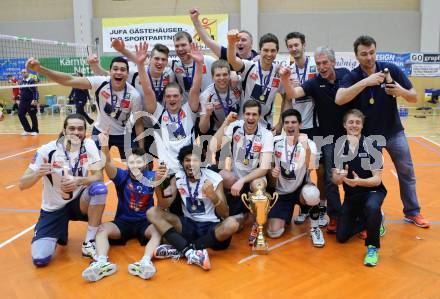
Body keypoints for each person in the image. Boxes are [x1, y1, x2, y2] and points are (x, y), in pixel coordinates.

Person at [335, 35, 429, 228]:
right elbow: (339, 98)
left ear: (375, 51)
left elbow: (414, 97)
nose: (369, 57)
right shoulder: (353, 76)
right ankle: (375, 214)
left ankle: (412, 212)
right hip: (370, 137)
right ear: (356, 56)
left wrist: (400, 91)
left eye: (371, 53)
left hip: (394, 132)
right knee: (371, 177)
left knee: (406, 171)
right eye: (364, 54)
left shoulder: (390, 70)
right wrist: (366, 82)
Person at [18, 114, 108, 267]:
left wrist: (79, 180)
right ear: (64, 131)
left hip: (79, 203)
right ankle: (57, 230)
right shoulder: (47, 150)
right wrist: (38, 173)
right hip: (53, 208)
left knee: (99, 189)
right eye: (71, 128)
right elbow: (22, 184)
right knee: (40, 258)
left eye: (80, 129)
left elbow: (99, 176)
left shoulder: (89, 145)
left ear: (85, 132)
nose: (76, 132)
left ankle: (89, 242)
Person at [280, 47, 352, 233]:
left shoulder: (346, 75)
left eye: (325, 62)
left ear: (334, 62)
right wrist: (286, 79)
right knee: (330, 178)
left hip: (352, 136)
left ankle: (357, 213)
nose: (321, 67)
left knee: (353, 176)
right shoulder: (314, 83)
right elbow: (293, 94)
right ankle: (334, 215)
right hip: (329, 138)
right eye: (318, 63)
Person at [82, 132, 165, 282]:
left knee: (158, 231)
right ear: (127, 164)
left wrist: (160, 180)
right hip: (123, 222)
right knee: (101, 230)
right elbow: (107, 164)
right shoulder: (122, 176)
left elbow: (163, 199)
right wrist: (105, 145)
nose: (135, 166)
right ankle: (101, 262)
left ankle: (145, 262)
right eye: (131, 163)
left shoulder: (152, 177)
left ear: (145, 163)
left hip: (144, 222)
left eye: (138, 162)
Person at [26, 56, 144, 160]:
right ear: (110, 72)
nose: (119, 72)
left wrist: (141, 149)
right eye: (115, 69)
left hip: (124, 134)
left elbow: (138, 123)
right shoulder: (101, 82)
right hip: (100, 131)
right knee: (95, 166)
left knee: (134, 168)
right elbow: (69, 80)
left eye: (123, 70)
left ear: (127, 74)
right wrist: (40, 69)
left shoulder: (134, 95)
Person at [146, 144, 239, 270]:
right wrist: (158, 183)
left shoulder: (215, 178)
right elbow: (164, 204)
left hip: (211, 227)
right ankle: (191, 252)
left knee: (232, 224)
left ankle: (181, 248)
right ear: (182, 163)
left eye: (195, 160)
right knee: (152, 212)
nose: (191, 164)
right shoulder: (178, 178)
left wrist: (214, 197)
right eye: (187, 160)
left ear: (200, 162)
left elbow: (225, 214)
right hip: (188, 225)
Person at [135, 42, 203, 173]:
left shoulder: (189, 110)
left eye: (175, 96)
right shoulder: (158, 113)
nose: (172, 99)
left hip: (189, 170)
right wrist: (140, 65)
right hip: (166, 172)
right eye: (169, 96)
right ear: (164, 98)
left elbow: (195, 88)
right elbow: (148, 90)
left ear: (182, 97)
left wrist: (199, 64)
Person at [211, 100, 273, 243]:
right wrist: (226, 122)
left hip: (254, 177)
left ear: (259, 116)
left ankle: (258, 223)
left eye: (254, 114)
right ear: (243, 115)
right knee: (221, 176)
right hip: (235, 177)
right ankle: (223, 211)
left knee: (258, 186)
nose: (250, 118)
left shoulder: (266, 134)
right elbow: (214, 146)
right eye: (247, 114)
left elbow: (263, 168)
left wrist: (242, 180)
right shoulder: (234, 127)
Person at [332, 109, 387, 266]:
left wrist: (359, 182)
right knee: (341, 237)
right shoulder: (339, 147)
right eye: (351, 122)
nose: (354, 125)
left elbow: (377, 180)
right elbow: (335, 180)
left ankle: (372, 248)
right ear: (344, 125)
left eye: (357, 122)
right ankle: (375, 219)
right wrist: (340, 177)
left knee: (371, 206)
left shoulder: (372, 145)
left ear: (362, 125)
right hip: (352, 196)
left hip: (372, 191)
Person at [267, 109, 324, 247]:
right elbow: (266, 168)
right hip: (280, 193)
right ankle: (285, 215)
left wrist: (306, 149)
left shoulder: (309, 144)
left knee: (312, 193)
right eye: (286, 122)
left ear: (300, 124)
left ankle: (315, 228)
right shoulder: (274, 142)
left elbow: (311, 168)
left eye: (293, 122)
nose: (290, 125)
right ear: (283, 125)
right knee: (274, 232)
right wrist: (272, 172)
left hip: (300, 189)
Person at [227, 30, 284, 130]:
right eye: (266, 50)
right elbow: (232, 60)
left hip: (265, 127)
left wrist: (280, 122)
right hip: (243, 124)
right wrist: (231, 43)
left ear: (277, 51)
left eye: (273, 51)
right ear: (260, 50)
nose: (269, 54)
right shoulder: (249, 66)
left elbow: (286, 98)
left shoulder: (279, 73)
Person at [189, 8, 258, 61]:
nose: (239, 43)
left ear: (251, 44)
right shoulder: (228, 55)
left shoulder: (259, 59)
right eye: (237, 40)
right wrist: (195, 20)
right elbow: (208, 40)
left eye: (243, 40)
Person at [198, 59, 242, 135]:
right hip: (220, 132)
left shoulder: (238, 84)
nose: (222, 78)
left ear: (229, 75)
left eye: (225, 74)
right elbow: (203, 130)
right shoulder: (206, 95)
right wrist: (208, 114)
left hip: (241, 129)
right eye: (218, 75)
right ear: (212, 77)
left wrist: (234, 73)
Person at [169, 31, 215, 102]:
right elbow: (157, 62)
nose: (180, 49)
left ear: (191, 45)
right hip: (189, 108)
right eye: (177, 46)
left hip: (209, 106)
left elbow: (225, 68)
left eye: (183, 45)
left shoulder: (208, 60)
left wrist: (233, 72)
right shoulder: (174, 64)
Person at [18, 69, 39, 136]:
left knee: (32, 115)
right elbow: (21, 91)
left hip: (30, 101)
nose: (23, 74)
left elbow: (35, 91)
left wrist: (35, 99)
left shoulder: (31, 81)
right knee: (20, 114)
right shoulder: (21, 82)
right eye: (22, 73)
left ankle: (35, 130)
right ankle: (27, 129)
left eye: (24, 72)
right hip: (22, 101)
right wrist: (19, 98)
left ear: (28, 73)